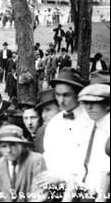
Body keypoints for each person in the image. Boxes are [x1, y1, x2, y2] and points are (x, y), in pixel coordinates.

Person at [36, 68, 94, 197]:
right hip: (53, 190)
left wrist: (62, 177)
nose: (61, 101)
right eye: (57, 95)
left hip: (84, 191)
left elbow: (89, 164)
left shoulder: (91, 122)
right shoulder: (55, 122)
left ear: (78, 94)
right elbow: (48, 155)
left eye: (66, 95)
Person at [74, 83, 110, 202]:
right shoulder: (90, 125)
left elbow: (106, 171)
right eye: (86, 103)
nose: (89, 107)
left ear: (108, 104)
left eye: (94, 103)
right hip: (83, 191)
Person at [0, 125, 48, 202]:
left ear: (22, 145)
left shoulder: (36, 160)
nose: (9, 150)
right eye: (4, 146)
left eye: (13, 145)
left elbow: (39, 195)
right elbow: (0, 197)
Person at [34, 89, 61, 154]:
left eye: (47, 110)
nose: (43, 116)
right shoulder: (41, 132)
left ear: (61, 108)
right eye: (42, 111)